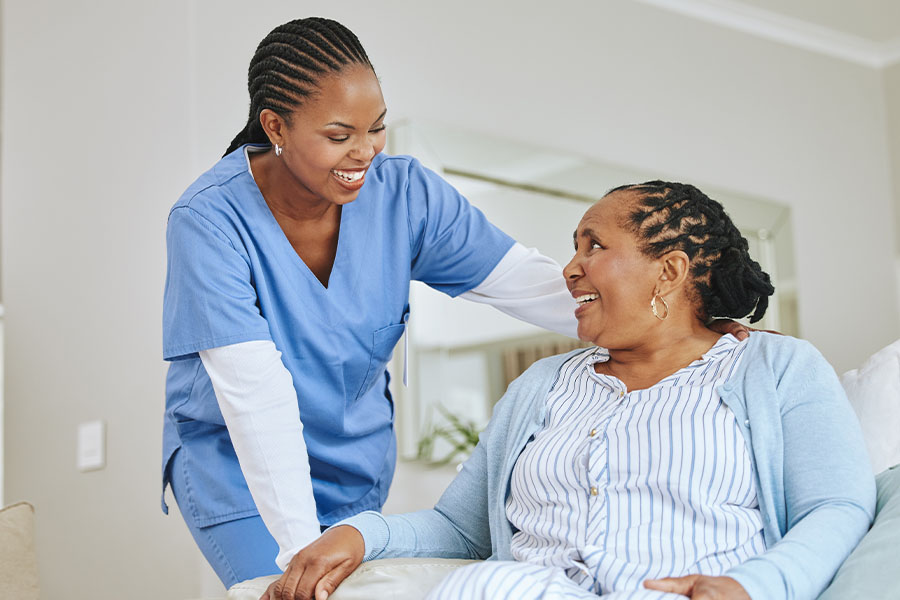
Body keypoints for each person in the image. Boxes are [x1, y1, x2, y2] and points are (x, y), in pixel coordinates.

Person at [271, 181, 876, 600]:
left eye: (595, 245)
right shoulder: (541, 387)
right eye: (574, 246)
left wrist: (757, 585)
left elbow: (836, 507)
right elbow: (462, 528)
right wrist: (361, 532)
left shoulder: (775, 367)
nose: (570, 266)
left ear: (668, 271)